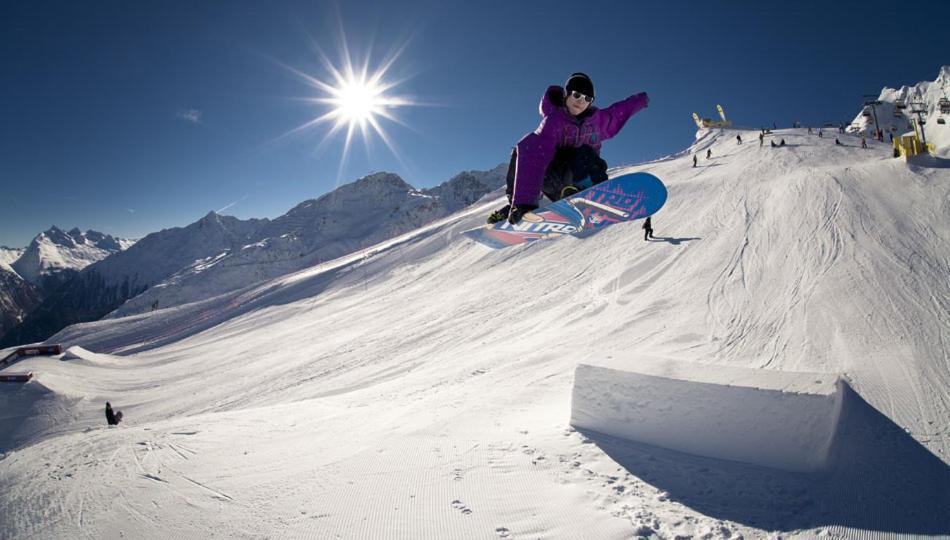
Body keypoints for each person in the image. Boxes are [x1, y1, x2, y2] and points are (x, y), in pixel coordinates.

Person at [488, 73, 649, 224]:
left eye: (587, 98)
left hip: (584, 178)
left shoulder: (597, 122)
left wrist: (640, 100)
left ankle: (594, 193)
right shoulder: (554, 121)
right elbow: (536, 156)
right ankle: (516, 205)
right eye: (576, 95)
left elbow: (618, 112)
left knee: (584, 152)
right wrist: (524, 202)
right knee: (526, 146)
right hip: (555, 182)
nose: (580, 101)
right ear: (566, 94)